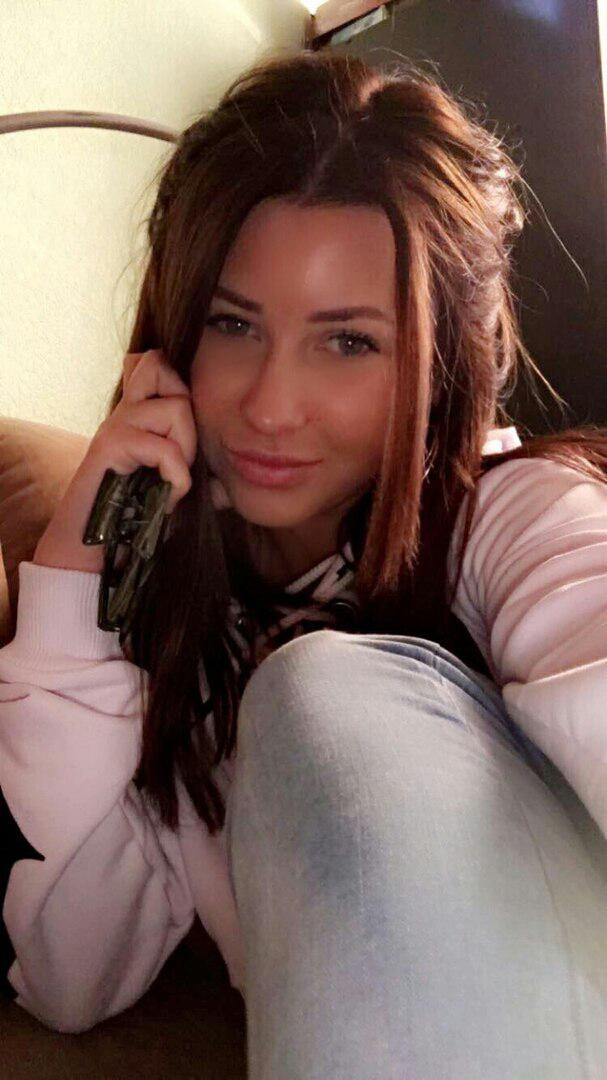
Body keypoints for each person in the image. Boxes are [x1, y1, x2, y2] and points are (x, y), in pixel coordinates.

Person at [1, 46, 607, 1078]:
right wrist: (72, 578)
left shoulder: (513, 520)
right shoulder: (175, 616)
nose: (270, 406)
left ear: (439, 366)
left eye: (348, 342)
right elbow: (70, 974)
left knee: (317, 685)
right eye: (233, 324)